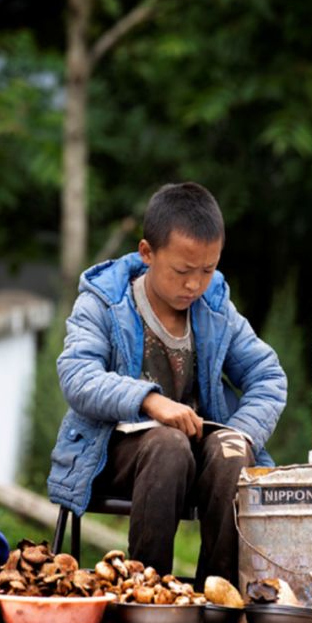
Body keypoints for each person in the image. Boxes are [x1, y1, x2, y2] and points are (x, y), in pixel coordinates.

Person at [47, 182, 287, 583]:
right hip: (112, 455)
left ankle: (218, 597)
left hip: (196, 460)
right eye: (181, 271)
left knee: (230, 450)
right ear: (147, 253)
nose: (194, 285)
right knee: (167, 443)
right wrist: (150, 402)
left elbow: (268, 377)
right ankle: (147, 590)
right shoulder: (104, 302)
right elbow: (77, 375)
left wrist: (239, 434)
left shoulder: (215, 309)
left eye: (207, 271)